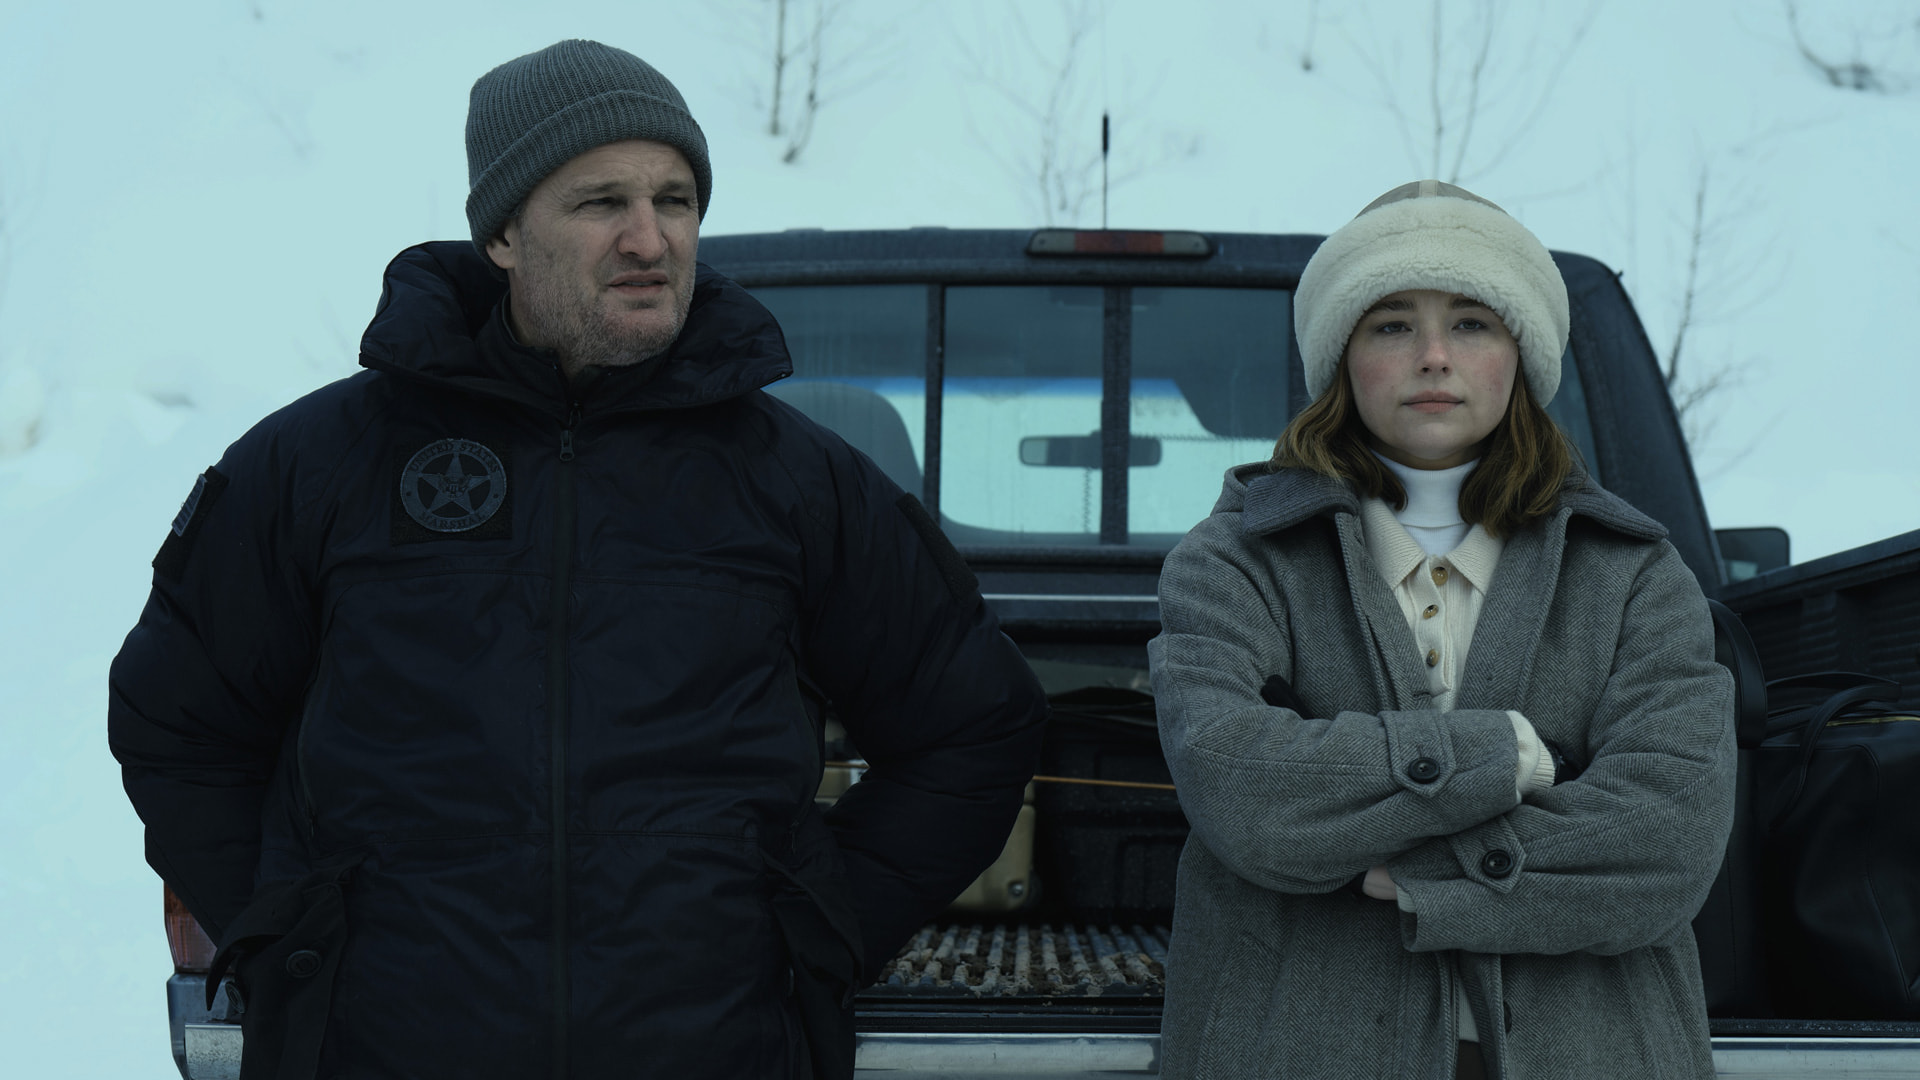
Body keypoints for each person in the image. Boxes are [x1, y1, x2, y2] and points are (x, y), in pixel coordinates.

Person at [107, 39, 1047, 1080]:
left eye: (675, 200)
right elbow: (176, 722)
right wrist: (298, 938)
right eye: (601, 202)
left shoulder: (796, 482)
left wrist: (815, 932)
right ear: (503, 234)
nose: (650, 238)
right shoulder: (322, 464)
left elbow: (972, 725)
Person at [1148, 180, 1736, 1079]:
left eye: (1471, 323)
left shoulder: (1634, 574)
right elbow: (1238, 787)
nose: (1432, 356)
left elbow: (1669, 840)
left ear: (1520, 354)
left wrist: (1416, 866)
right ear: (1342, 358)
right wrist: (1504, 757)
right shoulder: (1236, 559)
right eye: (1391, 325)